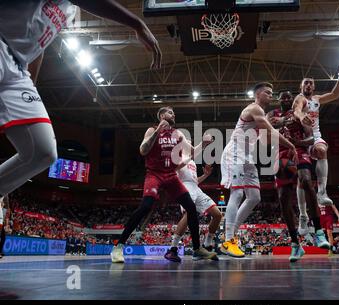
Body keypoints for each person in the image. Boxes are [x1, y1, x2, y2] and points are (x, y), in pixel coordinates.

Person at [0, 0, 162, 204]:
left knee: (42, 152)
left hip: (17, 70)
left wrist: (29, 87)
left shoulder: (69, 11)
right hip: (2, 42)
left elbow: (39, 43)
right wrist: (136, 23)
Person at [110, 106, 217, 263]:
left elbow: (192, 152)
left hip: (171, 175)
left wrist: (205, 143)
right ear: (161, 116)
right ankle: (118, 247)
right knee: (146, 206)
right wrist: (156, 132)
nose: (173, 114)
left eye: (174, 112)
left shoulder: (178, 134)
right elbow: (143, 150)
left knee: (191, 208)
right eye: (169, 112)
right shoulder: (151, 130)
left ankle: (197, 249)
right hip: (154, 174)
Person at [220, 82, 298, 258]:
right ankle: (229, 239)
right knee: (237, 194)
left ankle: (229, 236)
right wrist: (290, 144)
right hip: (234, 153)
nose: (270, 95)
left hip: (247, 157)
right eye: (267, 93)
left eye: (271, 93)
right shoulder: (254, 108)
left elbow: (266, 139)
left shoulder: (261, 114)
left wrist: (288, 139)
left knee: (254, 197)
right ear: (258, 94)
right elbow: (271, 131)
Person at [267, 90, 315, 262]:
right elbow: (267, 129)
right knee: (283, 200)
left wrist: (298, 142)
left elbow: (311, 137)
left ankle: (309, 220)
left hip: (299, 151)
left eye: (289, 96)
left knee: (305, 181)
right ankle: (295, 244)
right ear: (278, 100)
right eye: (283, 97)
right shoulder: (272, 114)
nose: (286, 99)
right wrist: (281, 123)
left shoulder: (299, 112)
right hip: (280, 154)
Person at [293, 65, 339, 207]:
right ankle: (303, 215)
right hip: (300, 139)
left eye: (311, 83)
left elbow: (335, 95)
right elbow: (297, 110)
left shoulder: (316, 99)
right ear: (301, 86)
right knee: (302, 179)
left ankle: (322, 192)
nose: (309, 85)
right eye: (306, 82)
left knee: (322, 151)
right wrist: (301, 116)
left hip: (315, 136)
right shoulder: (299, 99)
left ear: (314, 86)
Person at [164, 149, 222, 262]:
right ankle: (172, 249)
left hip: (196, 188)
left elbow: (194, 181)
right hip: (184, 187)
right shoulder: (177, 158)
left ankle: (206, 246)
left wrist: (205, 175)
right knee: (188, 215)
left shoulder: (192, 162)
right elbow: (173, 174)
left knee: (217, 215)